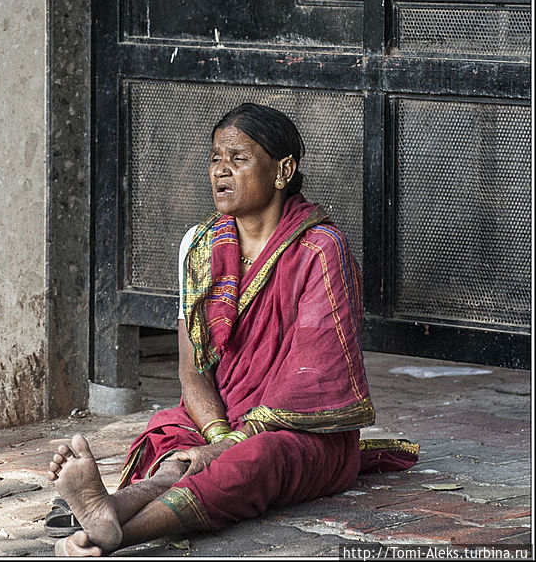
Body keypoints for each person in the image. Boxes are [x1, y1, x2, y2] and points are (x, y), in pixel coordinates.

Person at [46, 103, 418, 556]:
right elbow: (192, 371)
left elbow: (314, 381)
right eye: (215, 158)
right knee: (176, 442)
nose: (221, 170)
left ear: (283, 171)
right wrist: (219, 438)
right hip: (217, 418)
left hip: (302, 433)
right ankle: (109, 510)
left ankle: (121, 529)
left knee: (254, 461)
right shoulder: (199, 246)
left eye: (238, 158)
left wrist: (232, 446)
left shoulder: (321, 251)